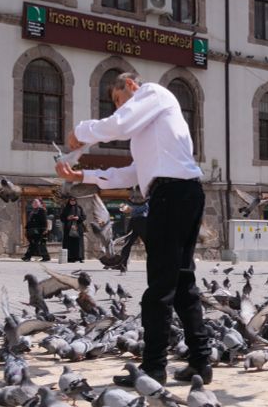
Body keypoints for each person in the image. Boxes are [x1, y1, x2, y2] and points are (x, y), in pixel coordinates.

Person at [56, 73, 208, 385]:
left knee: (159, 288)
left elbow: (119, 124)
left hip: (172, 196)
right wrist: (81, 177)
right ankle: (201, 361)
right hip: (183, 194)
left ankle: (154, 369)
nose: (118, 106)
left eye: (117, 99)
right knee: (181, 283)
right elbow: (132, 174)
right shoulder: (151, 130)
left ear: (132, 86)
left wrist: (81, 132)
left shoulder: (153, 92)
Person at [118, 190, 149, 272]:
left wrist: (131, 209)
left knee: (149, 245)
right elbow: (126, 205)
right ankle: (122, 265)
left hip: (143, 222)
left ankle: (154, 264)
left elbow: (145, 207)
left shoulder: (148, 194)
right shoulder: (133, 192)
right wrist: (123, 207)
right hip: (133, 221)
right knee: (126, 244)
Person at [60, 196, 86, 263]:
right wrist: (67, 218)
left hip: (78, 227)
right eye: (71, 200)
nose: (72, 201)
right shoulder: (65, 208)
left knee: (78, 243)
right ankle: (70, 258)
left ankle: (79, 257)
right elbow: (61, 217)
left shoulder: (79, 208)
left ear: (75, 201)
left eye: (74, 200)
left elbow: (84, 216)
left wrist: (78, 218)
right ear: (69, 201)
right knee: (69, 243)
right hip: (68, 229)